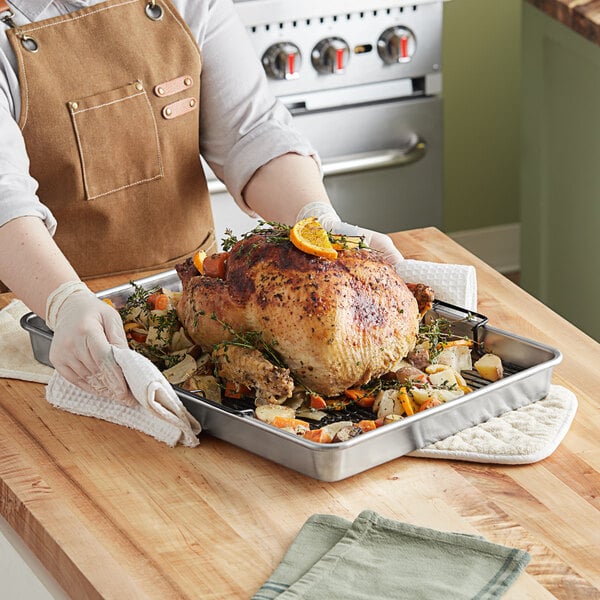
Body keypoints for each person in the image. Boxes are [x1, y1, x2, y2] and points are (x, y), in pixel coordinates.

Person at [0, 0, 403, 402]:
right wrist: (63, 302)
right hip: (36, 315)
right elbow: (4, 196)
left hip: (197, 296)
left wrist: (316, 219)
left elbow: (251, 132)